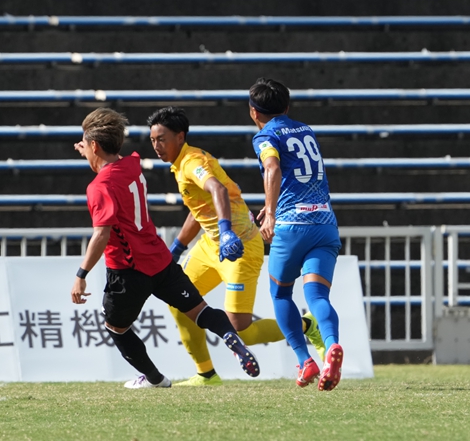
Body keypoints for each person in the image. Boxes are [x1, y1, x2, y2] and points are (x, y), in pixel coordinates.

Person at [69, 107, 261, 388]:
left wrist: (81, 274)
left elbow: (101, 234)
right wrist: (89, 147)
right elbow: (111, 160)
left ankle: (155, 379)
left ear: (95, 146)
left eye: (86, 145)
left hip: (128, 270)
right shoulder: (133, 164)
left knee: (116, 327)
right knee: (200, 311)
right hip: (160, 261)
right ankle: (229, 336)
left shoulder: (99, 187)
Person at [147, 106, 325, 387]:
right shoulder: (181, 164)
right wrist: (177, 248)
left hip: (239, 246)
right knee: (179, 302)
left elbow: (217, 190)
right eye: (153, 140)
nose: (156, 146)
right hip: (210, 246)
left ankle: (307, 325)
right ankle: (206, 374)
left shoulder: (192, 161)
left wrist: (227, 231)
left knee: (241, 329)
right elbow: (200, 209)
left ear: (180, 137)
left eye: (161, 139)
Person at [248, 78, 345, 391]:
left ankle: (305, 360)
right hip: (324, 223)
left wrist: (270, 212)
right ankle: (332, 345)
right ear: (287, 107)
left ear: (253, 112)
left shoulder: (265, 135)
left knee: (280, 294)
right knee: (317, 296)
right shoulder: (306, 130)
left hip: (292, 225)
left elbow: (273, 168)